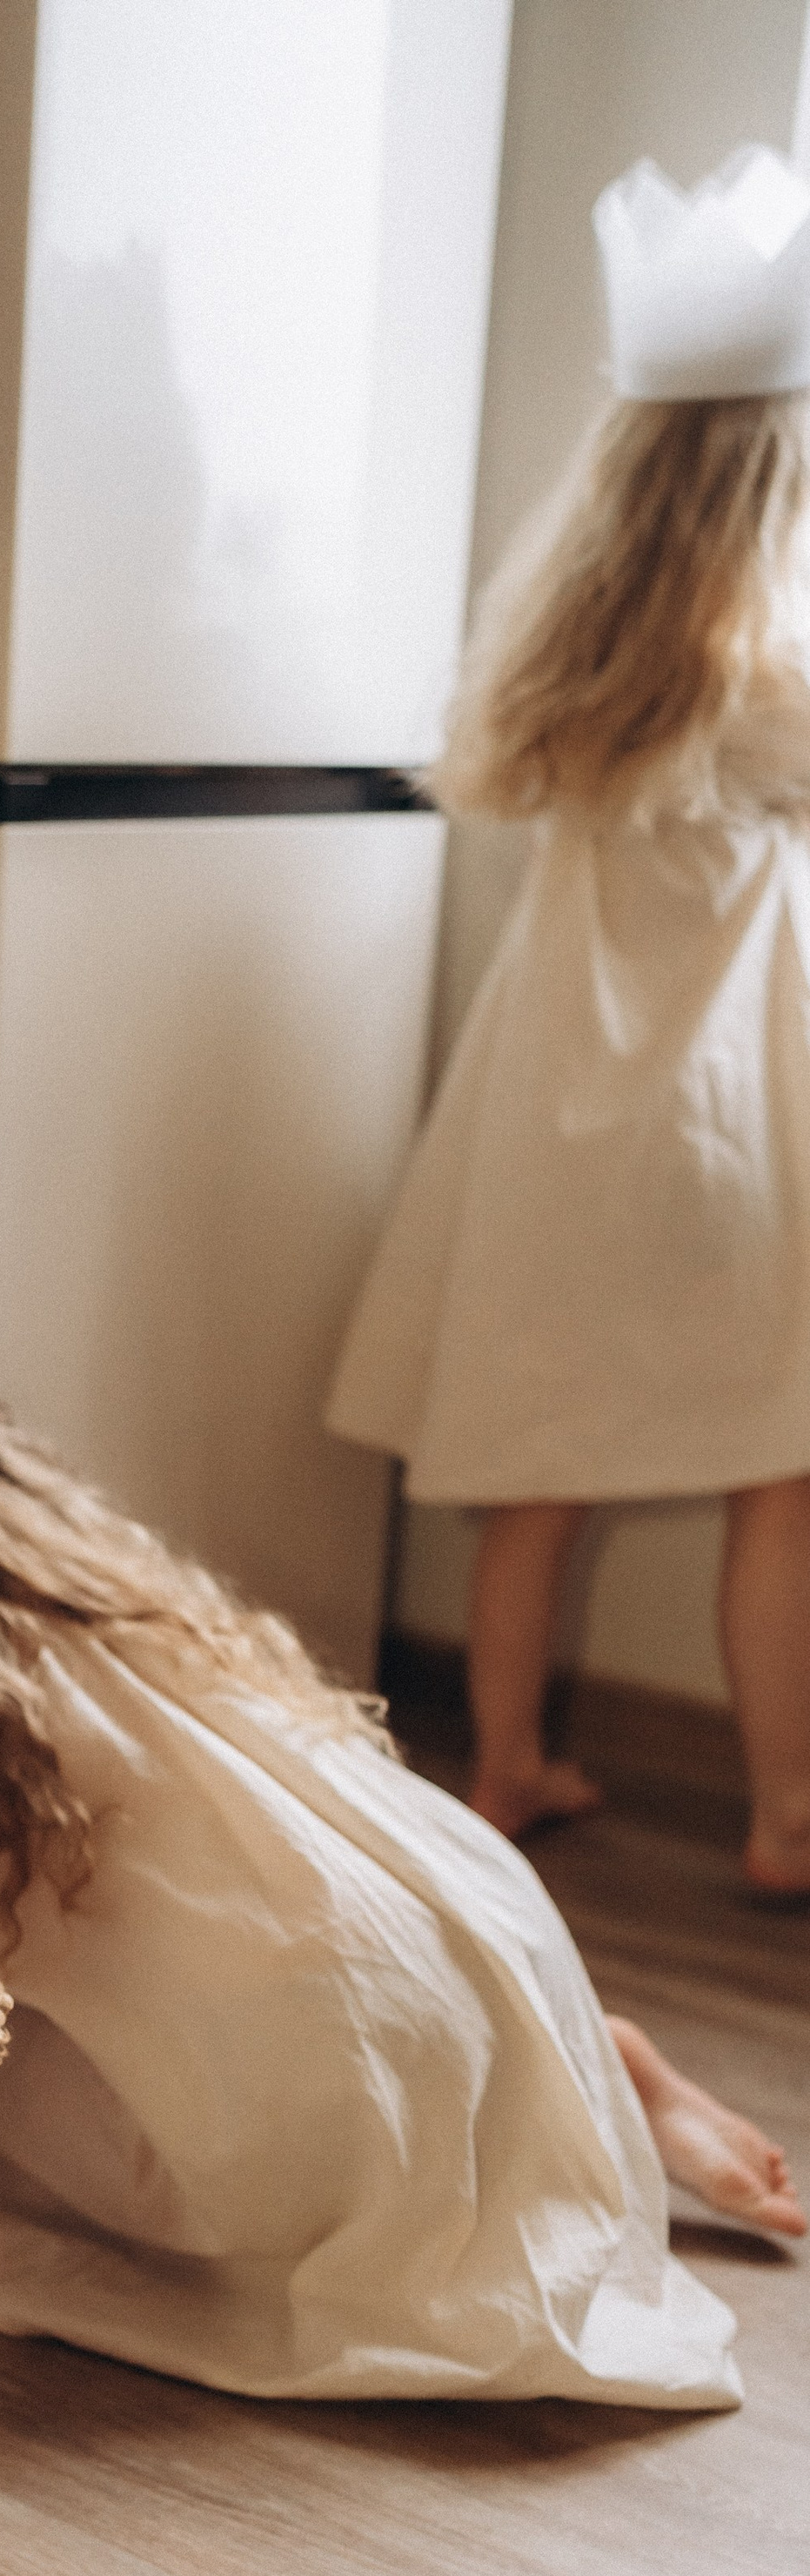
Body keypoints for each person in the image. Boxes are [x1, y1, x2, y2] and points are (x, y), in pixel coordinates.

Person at [0, 1197, 797, 2410]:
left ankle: (564, 2088)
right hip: (471, 1958)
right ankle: (583, 2070)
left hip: (307, 2097)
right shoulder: (20, 1522)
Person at [328, 145, 810, 1885]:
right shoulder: (767, 683)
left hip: (545, 1129)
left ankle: (501, 1767)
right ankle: (780, 1812)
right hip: (719, 1127)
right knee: (780, 1471)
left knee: (533, 1471)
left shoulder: (567, 661)